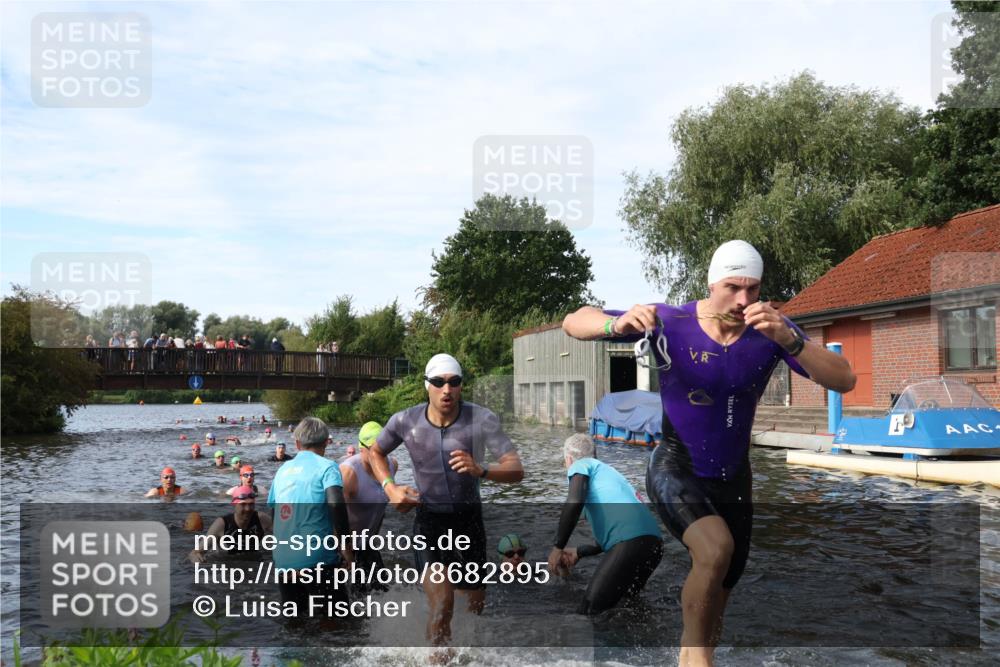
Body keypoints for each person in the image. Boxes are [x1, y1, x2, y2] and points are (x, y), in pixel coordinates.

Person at [562, 239, 856, 665]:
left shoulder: (772, 331)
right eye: (734, 288)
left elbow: (844, 379)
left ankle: (690, 658)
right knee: (715, 549)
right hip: (677, 465)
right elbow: (574, 320)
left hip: (734, 476)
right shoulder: (669, 321)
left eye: (753, 290)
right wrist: (615, 325)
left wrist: (789, 340)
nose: (744, 300)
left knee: (722, 588)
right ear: (712, 283)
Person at [370, 353, 524, 648]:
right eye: (439, 382)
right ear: (426, 384)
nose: (447, 389)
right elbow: (375, 453)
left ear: (461, 385)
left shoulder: (481, 419)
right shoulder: (405, 421)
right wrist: (390, 487)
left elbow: (516, 469)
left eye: (454, 382)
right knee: (443, 602)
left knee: (473, 612)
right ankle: (435, 658)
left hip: (469, 524)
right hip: (429, 522)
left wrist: (483, 470)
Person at [548, 433, 663, 615]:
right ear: (595, 454)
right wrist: (579, 552)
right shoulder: (608, 473)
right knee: (626, 608)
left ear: (568, 459)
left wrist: (557, 547)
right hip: (654, 545)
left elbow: (575, 502)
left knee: (589, 612)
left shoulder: (581, 465)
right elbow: (613, 536)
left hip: (630, 543)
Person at [267, 417, 352, 623]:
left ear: (297, 444)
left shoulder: (281, 471)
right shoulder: (328, 467)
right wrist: (347, 548)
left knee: (296, 626)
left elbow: (274, 513)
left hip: (284, 562)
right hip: (318, 559)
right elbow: (335, 505)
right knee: (338, 625)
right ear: (326, 443)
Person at [339, 421, 397, 587]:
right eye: (372, 449)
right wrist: (344, 550)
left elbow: (381, 507)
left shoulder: (392, 465)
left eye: (383, 448)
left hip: (368, 544)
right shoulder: (349, 472)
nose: (378, 454)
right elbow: (332, 513)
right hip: (345, 547)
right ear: (361, 448)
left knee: (383, 593)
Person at [189, 485, 273, 562]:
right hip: (228, 563)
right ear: (234, 505)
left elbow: (282, 535)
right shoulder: (222, 524)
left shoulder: (262, 519)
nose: (248, 509)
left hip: (254, 561)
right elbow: (195, 552)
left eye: (251, 504)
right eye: (243, 504)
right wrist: (196, 558)